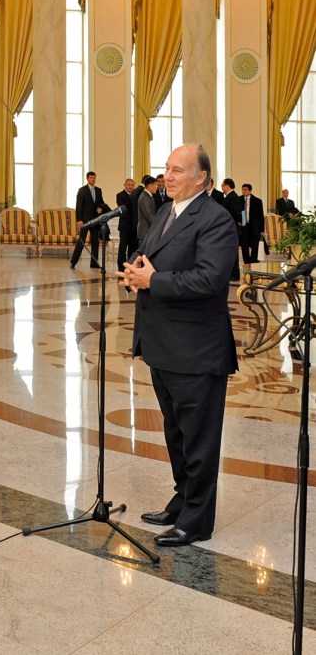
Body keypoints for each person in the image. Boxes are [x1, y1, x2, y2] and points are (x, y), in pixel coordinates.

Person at [118, 143, 238, 547]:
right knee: (176, 434)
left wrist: (154, 281)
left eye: (177, 170)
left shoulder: (217, 219)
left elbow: (209, 280)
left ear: (201, 177)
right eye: (167, 169)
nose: (167, 177)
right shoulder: (167, 211)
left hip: (196, 349)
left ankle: (198, 520)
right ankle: (182, 499)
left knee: (199, 439)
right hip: (162, 343)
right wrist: (135, 268)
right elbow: (147, 252)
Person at [70, 171, 109, 270]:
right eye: (91, 178)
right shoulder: (82, 190)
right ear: (87, 178)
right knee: (81, 241)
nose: (93, 179)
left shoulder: (98, 190)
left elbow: (101, 202)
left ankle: (94, 262)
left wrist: (100, 207)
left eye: (94, 178)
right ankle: (73, 262)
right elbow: (79, 206)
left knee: (95, 241)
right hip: (85, 221)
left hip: (95, 220)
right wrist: (79, 220)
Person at [222, 178, 243, 281]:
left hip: (232, 229)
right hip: (231, 228)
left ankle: (234, 274)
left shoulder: (232, 197)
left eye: (222, 185)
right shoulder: (231, 196)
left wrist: (240, 221)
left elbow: (237, 212)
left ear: (227, 186)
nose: (222, 188)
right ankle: (232, 273)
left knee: (233, 253)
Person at [239, 184, 265, 265]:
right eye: (242, 189)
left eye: (245, 189)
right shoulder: (239, 200)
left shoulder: (257, 201)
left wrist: (262, 230)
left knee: (255, 246)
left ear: (250, 191)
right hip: (243, 226)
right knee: (244, 246)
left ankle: (254, 264)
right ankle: (246, 263)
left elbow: (261, 216)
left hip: (254, 227)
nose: (244, 191)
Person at [116, 178, 136, 273]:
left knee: (132, 248)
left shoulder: (136, 195)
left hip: (134, 226)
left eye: (132, 185)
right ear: (124, 185)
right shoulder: (120, 195)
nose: (131, 187)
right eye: (129, 185)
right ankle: (121, 267)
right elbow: (123, 207)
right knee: (122, 248)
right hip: (124, 227)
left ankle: (130, 267)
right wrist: (132, 197)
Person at [137, 175, 158, 242]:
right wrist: (158, 226)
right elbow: (149, 215)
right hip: (145, 231)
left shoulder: (148, 196)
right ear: (150, 185)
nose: (156, 187)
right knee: (144, 252)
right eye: (155, 185)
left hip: (147, 231)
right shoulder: (145, 197)